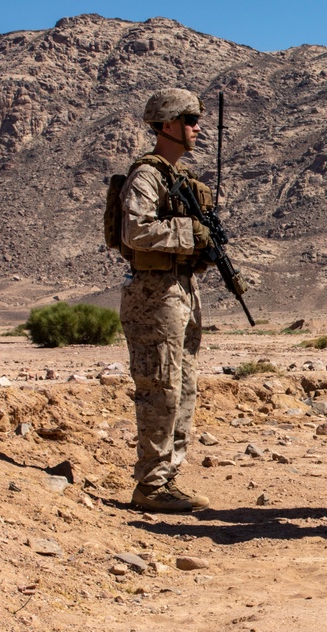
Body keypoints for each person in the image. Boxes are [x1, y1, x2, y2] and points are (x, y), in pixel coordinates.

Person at [120, 88, 214, 511]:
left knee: (184, 388)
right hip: (154, 295)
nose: (197, 127)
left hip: (181, 291)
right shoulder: (146, 176)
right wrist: (187, 234)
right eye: (191, 119)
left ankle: (167, 479)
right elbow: (134, 232)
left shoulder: (177, 179)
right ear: (168, 125)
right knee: (160, 387)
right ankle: (151, 485)